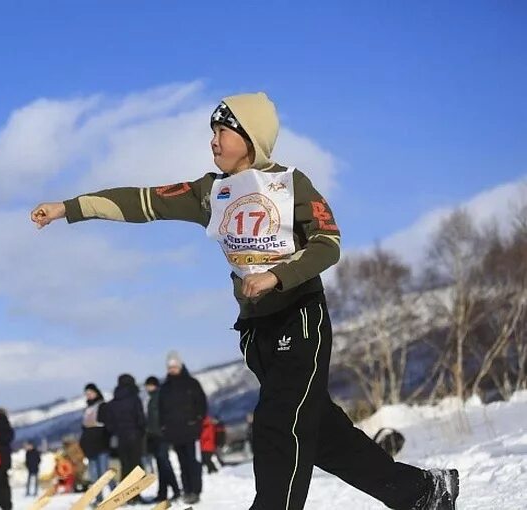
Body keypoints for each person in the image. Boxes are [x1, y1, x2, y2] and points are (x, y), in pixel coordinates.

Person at [30, 92, 460, 509]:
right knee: (320, 434)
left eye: (223, 130)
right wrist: (68, 208)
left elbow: (329, 243)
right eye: (212, 131)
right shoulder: (210, 192)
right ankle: (423, 493)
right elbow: (143, 202)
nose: (213, 139)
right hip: (256, 332)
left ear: (251, 138)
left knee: (278, 424)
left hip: (299, 318)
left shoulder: (291, 185)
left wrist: (278, 275)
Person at [159, 352, 206, 505]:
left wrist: (198, 420)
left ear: (180, 366)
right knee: (182, 463)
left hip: (191, 430)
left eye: (174, 366)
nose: (172, 369)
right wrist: (164, 427)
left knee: (193, 462)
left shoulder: (192, 383)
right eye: (170, 367)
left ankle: (195, 490)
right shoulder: (165, 388)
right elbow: (161, 410)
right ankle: (186, 490)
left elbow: (202, 404)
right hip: (174, 432)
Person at [98, 374, 146, 490]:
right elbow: (141, 418)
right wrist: (141, 431)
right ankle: (136, 493)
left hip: (120, 438)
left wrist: (115, 431)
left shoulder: (114, 402)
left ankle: (126, 492)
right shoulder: (134, 399)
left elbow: (108, 421)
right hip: (134, 436)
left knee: (125, 465)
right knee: (136, 466)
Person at [144, 375, 180, 503]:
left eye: (149, 385)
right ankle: (162, 492)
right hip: (154, 436)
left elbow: (163, 415)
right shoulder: (151, 399)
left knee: (165, 464)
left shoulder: (159, 397)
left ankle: (176, 490)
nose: (147, 388)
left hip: (161, 435)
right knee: (160, 465)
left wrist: (164, 429)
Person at [79, 382, 116, 504]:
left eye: (90, 393)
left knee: (105, 473)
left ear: (96, 392)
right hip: (90, 447)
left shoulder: (103, 406)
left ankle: (116, 494)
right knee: (94, 475)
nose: (88, 395)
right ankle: (98, 498)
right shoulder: (87, 409)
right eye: (87, 394)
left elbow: (109, 425)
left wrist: (108, 441)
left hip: (101, 444)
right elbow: (84, 428)